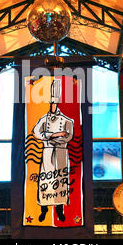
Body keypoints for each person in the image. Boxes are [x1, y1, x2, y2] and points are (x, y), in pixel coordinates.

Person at [32, 79, 74, 222]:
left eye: (55, 103)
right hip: (47, 153)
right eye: (51, 103)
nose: (53, 106)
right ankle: (44, 209)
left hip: (62, 153)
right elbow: (36, 132)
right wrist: (54, 135)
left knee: (60, 181)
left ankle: (60, 210)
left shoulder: (68, 121)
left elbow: (69, 137)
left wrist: (52, 138)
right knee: (46, 180)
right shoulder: (43, 119)